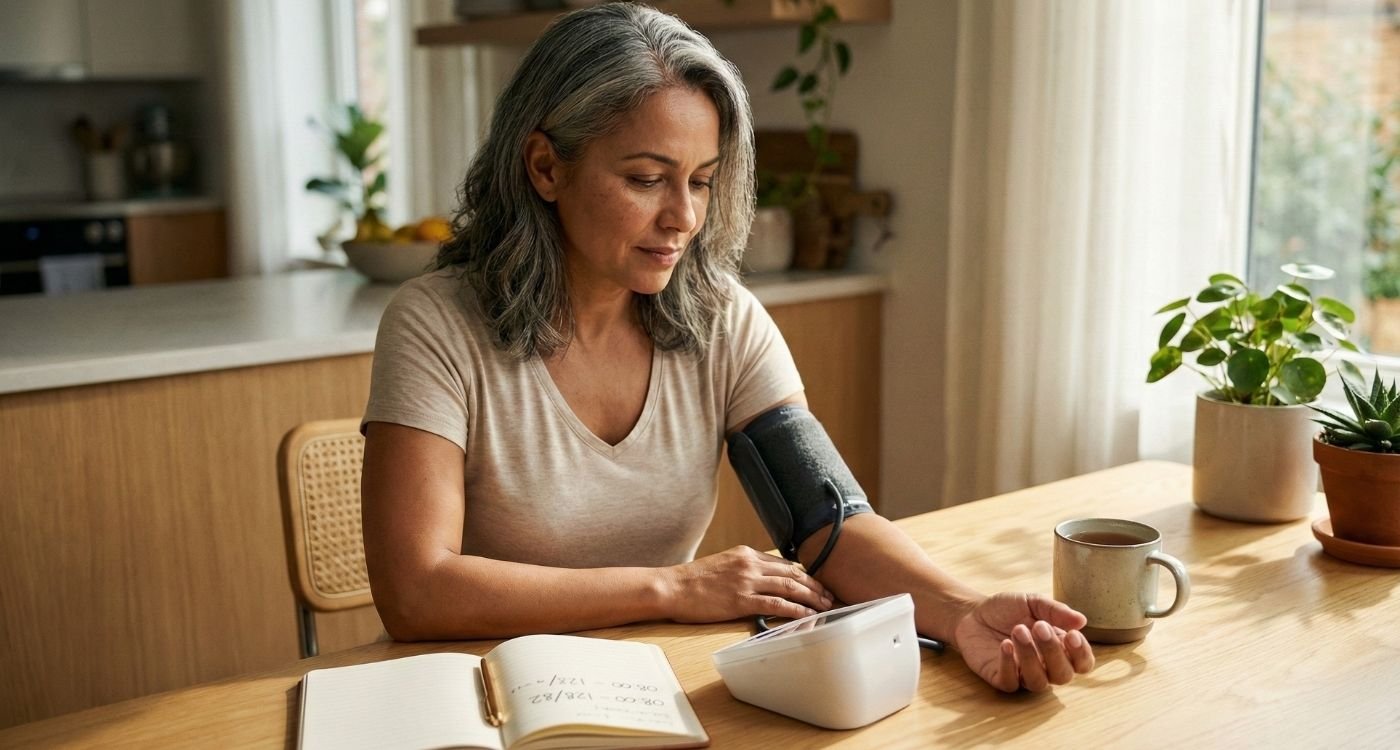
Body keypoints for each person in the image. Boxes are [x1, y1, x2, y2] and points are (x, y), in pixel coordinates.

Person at [360, 2, 1094, 693]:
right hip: (484, 692)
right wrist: (673, 587)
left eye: (702, 182)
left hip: (648, 682)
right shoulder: (435, 324)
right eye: (646, 178)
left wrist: (962, 611)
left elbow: (829, 523)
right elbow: (418, 592)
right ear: (546, 167)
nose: (682, 217)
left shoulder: (721, 319)